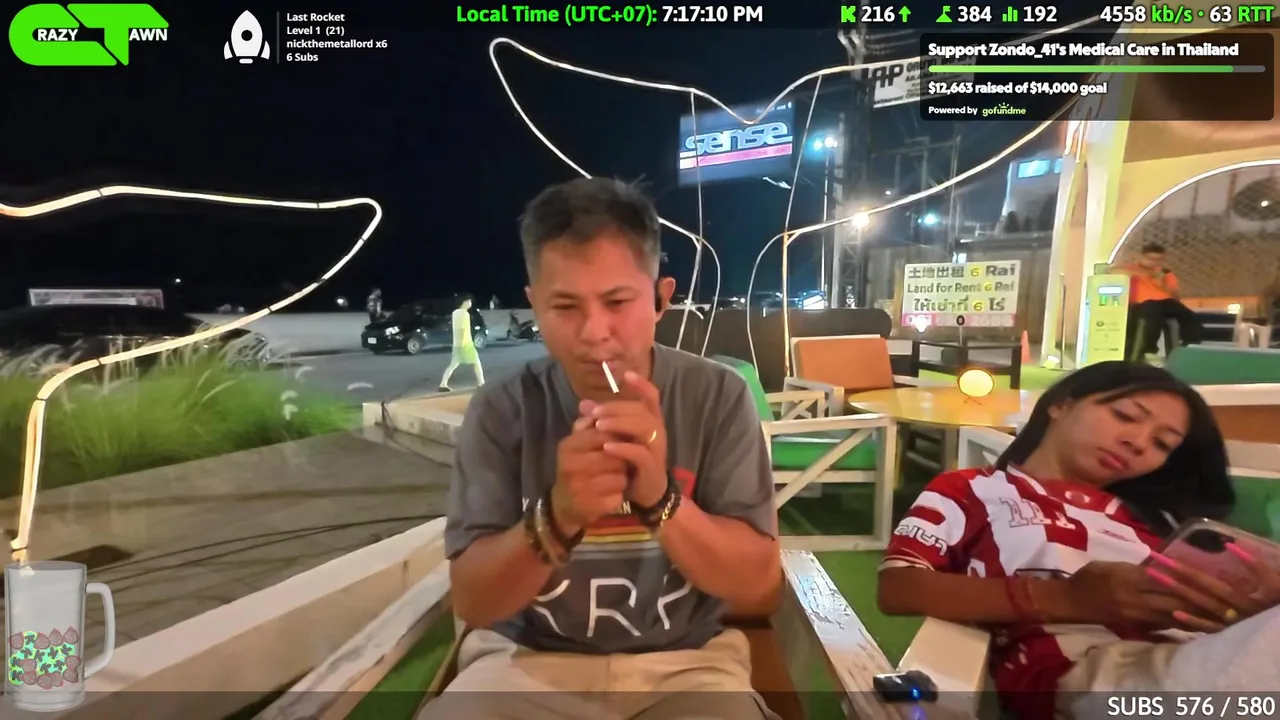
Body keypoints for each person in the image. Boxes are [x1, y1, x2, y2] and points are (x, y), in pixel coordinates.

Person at [418, 178, 781, 719]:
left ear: (661, 299)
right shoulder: (502, 408)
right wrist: (559, 515)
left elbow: (757, 586)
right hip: (523, 663)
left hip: (688, 666)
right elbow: (475, 601)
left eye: (617, 301)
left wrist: (659, 498)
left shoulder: (717, 396)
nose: (593, 332)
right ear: (534, 305)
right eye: (565, 306)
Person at [877, 362, 1280, 719]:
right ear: (1061, 404)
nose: (1139, 442)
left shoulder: (1159, 524)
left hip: (1206, 661)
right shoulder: (973, 490)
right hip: (1094, 673)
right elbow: (898, 587)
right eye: (1125, 415)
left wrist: (1248, 612)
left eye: (1162, 444)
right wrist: (1068, 599)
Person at [1116, 243, 1203, 358]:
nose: (1153, 262)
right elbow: (1110, 271)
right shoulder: (1130, 269)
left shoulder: (1165, 272)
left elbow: (1175, 295)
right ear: (1141, 257)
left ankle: (1190, 346)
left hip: (1166, 302)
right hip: (1143, 303)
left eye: (1158, 260)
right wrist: (1144, 274)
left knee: (1190, 316)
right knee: (1151, 317)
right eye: (1150, 259)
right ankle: (1149, 351)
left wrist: (1162, 282)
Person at [439, 294, 484, 392]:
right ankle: (481, 383)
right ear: (464, 302)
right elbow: (462, 329)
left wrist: (458, 343)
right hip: (466, 344)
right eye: (469, 301)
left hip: (457, 344)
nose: (470, 303)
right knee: (476, 362)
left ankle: (443, 384)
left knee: (453, 365)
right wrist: (463, 343)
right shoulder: (464, 314)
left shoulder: (455, 313)